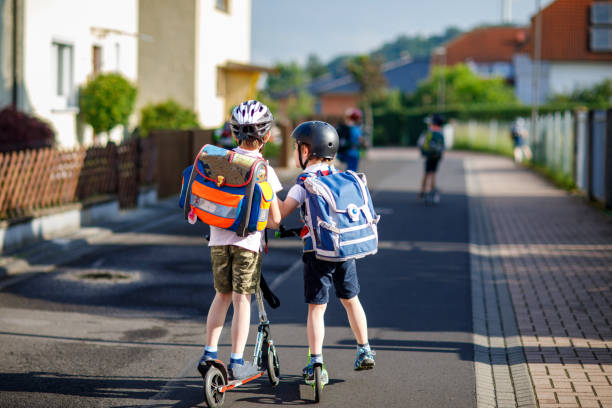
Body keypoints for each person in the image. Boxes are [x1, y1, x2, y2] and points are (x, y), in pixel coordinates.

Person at [278, 121, 375, 386]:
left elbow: (280, 215)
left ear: (307, 150)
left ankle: (316, 362)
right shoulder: (343, 175)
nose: (297, 151)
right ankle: (364, 348)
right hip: (345, 249)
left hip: (317, 252)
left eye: (298, 146)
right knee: (351, 300)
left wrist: (267, 187)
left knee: (316, 309)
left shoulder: (305, 182)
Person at [197, 100, 282, 380]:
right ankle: (236, 362)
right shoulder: (263, 168)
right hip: (247, 244)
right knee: (242, 300)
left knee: (221, 295)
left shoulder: (220, 161)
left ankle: (209, 353)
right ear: (267, 136)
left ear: (234, 134)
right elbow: (275, 219)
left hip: (218, 240)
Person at [418, 114, 445, 201]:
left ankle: (422, 191)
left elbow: (421, 142)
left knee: (426, 172)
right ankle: (432, 190)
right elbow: (443, 146)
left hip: (429, 155)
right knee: (433, 172)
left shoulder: (429, 131)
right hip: (436, 155)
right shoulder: (440, 132)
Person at [337, 108, 365, 172]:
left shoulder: (347, 126)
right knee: (352, 171)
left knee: (349, 169)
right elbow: (360, 140)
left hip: (346, 152)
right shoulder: (355, 128)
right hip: (353, 152)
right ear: (357, 118)